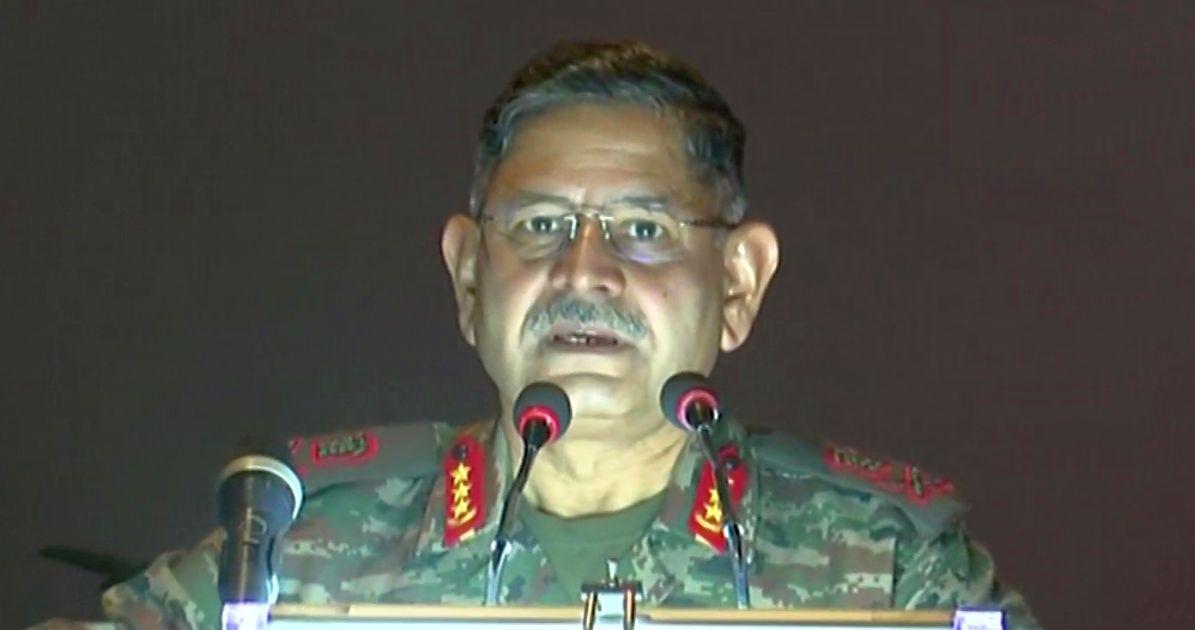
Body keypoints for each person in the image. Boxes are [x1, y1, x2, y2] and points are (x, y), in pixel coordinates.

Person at [69, 41, 1040, 629]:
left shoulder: (888, 565)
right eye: (539, 226)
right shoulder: (298, 543)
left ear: (738, 282)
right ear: (468, 276)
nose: (583, 272)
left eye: (643, 230)